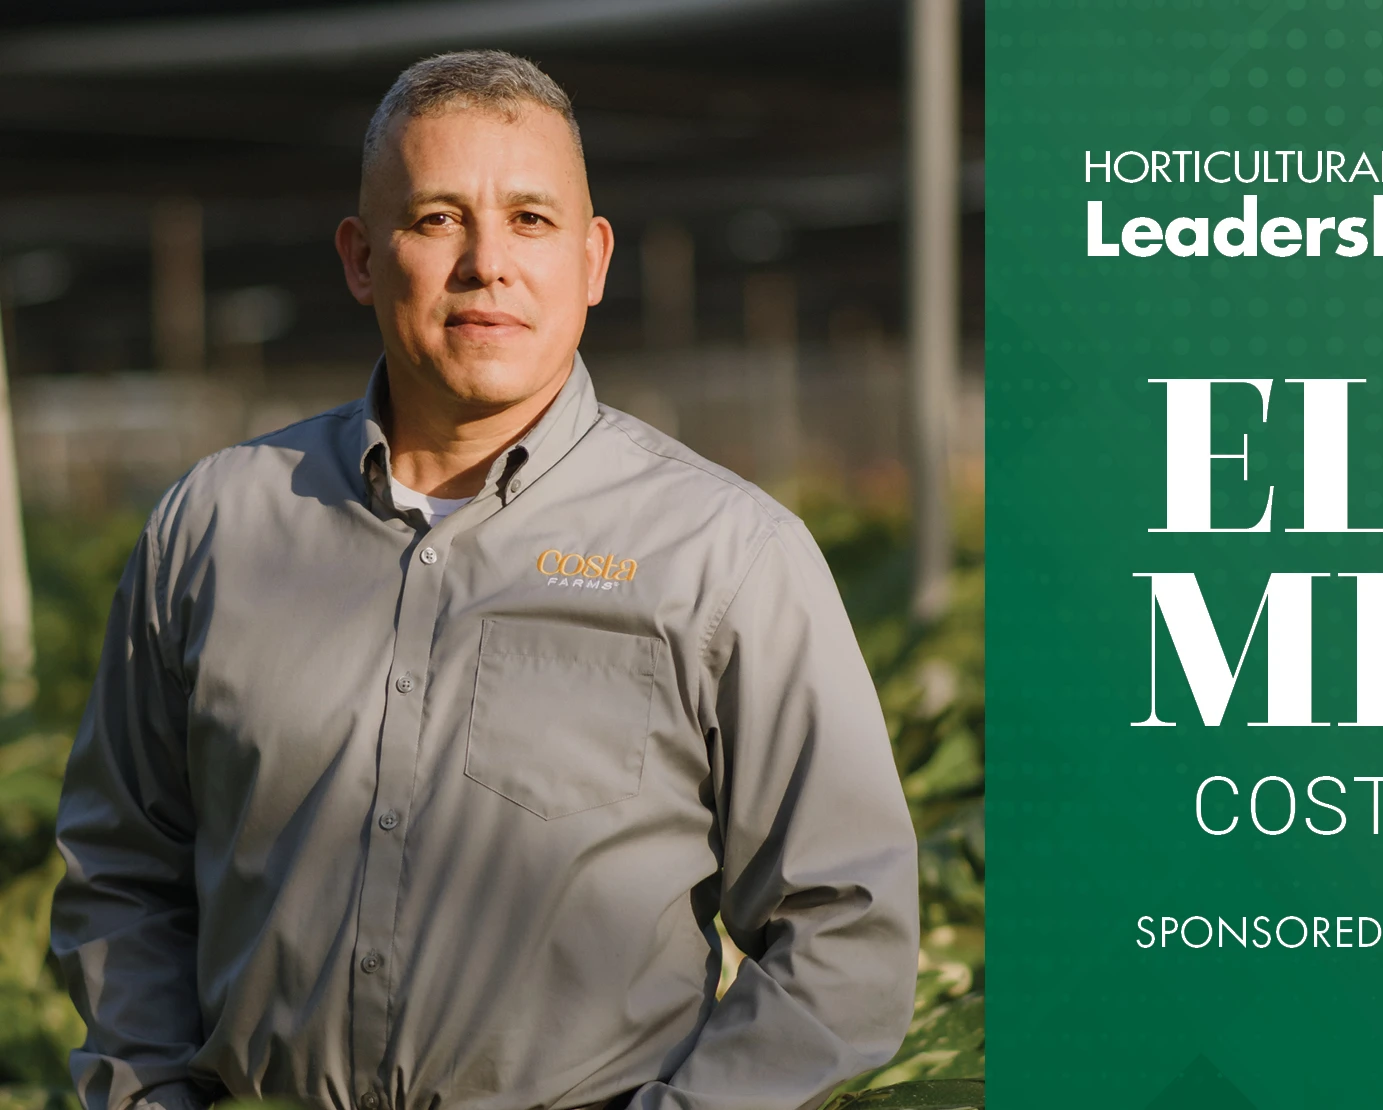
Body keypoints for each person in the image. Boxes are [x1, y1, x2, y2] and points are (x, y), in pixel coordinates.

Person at [49, 50, 918, 1110]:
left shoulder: (727, 557)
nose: (486, 264)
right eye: (436, 219)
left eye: (532, 221)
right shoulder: (215, 529)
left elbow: (846, 928)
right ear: (361, 259)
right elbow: (123, 869)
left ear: (594, 261)